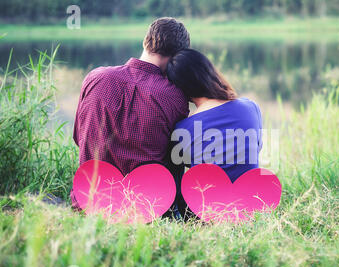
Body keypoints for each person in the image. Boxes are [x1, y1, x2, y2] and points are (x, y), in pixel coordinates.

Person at [71, 17, 190, 210]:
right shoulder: (174, 96)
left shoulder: (95, 77)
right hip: (146, 208)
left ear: (145, 42)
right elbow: (176, 157)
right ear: (179, 55)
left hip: (90, 201)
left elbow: (79, 137)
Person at [167, 49, 263, 183]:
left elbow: (186, 163)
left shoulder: (183, 129)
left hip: (208, 202)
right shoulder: (251, 108)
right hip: (253, 199)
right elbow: (255, 149)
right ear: (210, 71)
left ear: (180, 89)